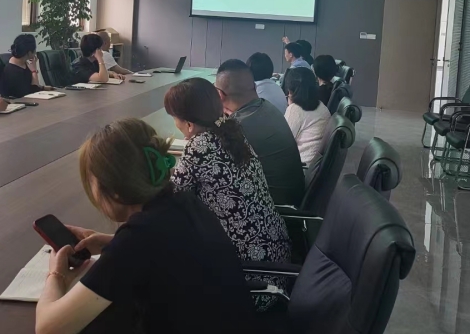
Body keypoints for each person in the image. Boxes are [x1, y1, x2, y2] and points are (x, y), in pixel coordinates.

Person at [35, 118, 258, 334]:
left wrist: (56, 274)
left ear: (114, 191)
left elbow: (48, 328)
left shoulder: (137, 239)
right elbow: (169, 247)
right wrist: (110, 243)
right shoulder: (182, 199)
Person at [164, 77, 291, 310]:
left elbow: (169, 201)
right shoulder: (232, 131)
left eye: (174, 118)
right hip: (276, 262)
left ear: (189, 124)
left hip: (247, 281)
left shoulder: (198, 146)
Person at [216, 59, 304, 206]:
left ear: (220, 95)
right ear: (255, 87)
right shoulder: (267, 107)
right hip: (291, 198)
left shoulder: (238, 128)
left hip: (272, 207)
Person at [283, 67, 331, 165]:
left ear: (290, 91)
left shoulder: (295, 109)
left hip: (300, 165)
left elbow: (283, 143)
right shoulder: (321, 106)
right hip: (314, 164)